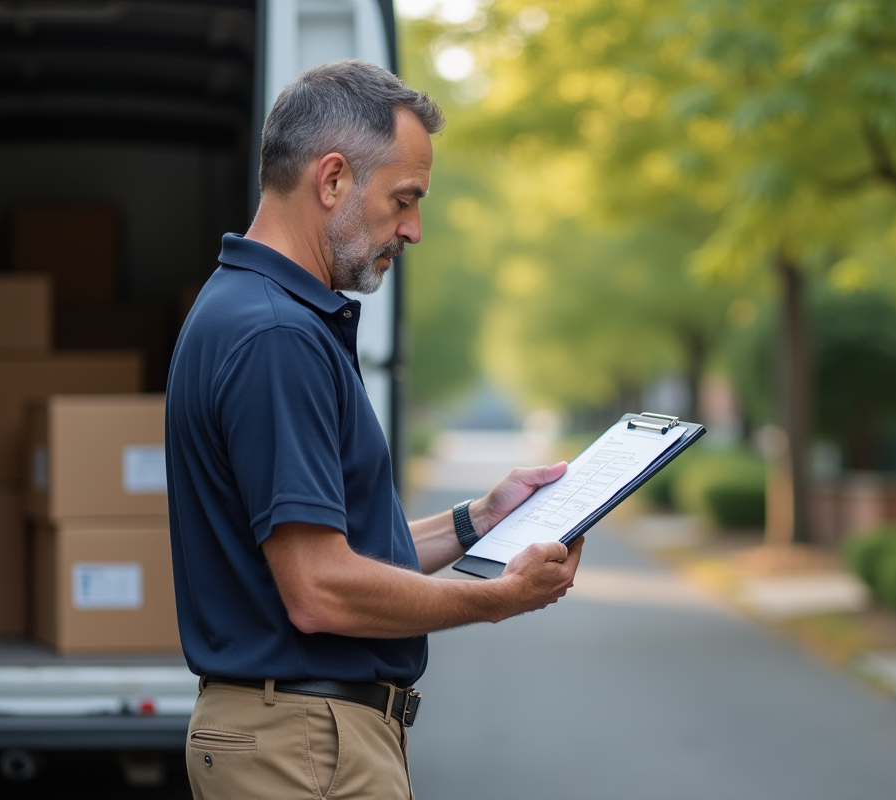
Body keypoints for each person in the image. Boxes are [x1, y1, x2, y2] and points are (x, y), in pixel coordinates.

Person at [165, 59, 584, 800]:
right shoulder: (275, 336)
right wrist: (497, 598)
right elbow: (320, 590)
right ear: (331, 181)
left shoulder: (252, 312)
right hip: (303, 745)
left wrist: (478, 519)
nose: (414, 230)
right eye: (404, 200)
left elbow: (335, 551)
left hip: (294, 738)